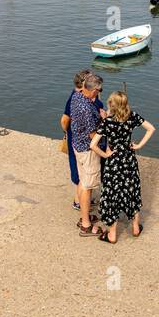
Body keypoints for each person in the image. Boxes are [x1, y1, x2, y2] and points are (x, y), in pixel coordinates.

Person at [90, 90, 155, 244]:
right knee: (132, 191)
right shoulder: (132, 116)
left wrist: (106, 155)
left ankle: (112, 234)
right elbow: (151, 128)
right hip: (129, 160)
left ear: (111, 105)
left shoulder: (107, 122)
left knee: (112, 193)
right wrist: (139, 145)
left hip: (113, 162)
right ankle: (135, 228)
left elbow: (92, 145)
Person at [68, 73, 106, 235]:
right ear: (94, 90)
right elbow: (93, 136)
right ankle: (86, 225)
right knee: (87, 186)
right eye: (99, 90)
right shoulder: (86, 109)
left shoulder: (76, 96)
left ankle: (84, 216)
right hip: (87, 151)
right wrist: (104, 120)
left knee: (83, 181)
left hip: (77, 145)